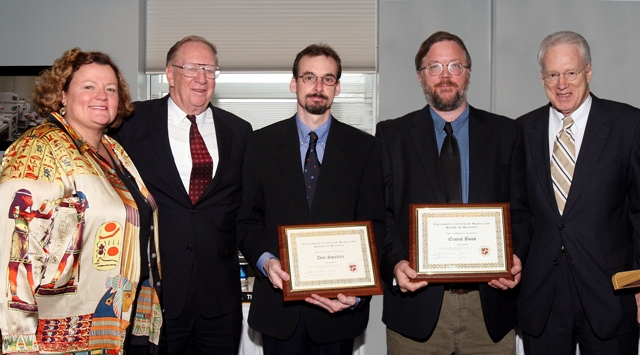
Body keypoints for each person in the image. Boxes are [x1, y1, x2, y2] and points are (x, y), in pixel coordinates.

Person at [375, 31, 532, 354]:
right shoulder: (391, 136)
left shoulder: (506, 133)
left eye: (455, 66)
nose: (445, 76)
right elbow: (382, 214)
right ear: (420, 76)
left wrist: (515, 257)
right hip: (415, 309)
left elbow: (521, 211)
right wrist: (395, 264)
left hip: (488, 308)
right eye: (434, 67)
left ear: (468, 73)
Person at [0, 48, 162, 355]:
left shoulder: (115, 151)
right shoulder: (37, 148)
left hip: (121, 326)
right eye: (89, 86)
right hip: (60, 336)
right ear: (62, 94)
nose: (102, 96)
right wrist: (18, 342)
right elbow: (11, 252)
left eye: (110, 89)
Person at [236, 43, 385, 355]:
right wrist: (266, 262)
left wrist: (357, 295)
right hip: (279, 311)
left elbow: (375, 227)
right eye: (309, 78)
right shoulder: (260, 144)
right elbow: (247, 220)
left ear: (338, 88)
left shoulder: (365, 149)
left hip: (338, 310)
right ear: (294, 84)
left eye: (327, 79)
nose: (318, 87)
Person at [111, 35, 252, 354]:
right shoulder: (130, 124)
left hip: (219, 301)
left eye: (210, 70)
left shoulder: (239, 132)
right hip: (151, 298)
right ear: (170, 74)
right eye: (191, 68)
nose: (202, 79)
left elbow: (248, 209)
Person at [517, 30, 640, 354]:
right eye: (553, 74)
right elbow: (519, 211)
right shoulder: (522, 131)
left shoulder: (629, 124)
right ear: (542, 77)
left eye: (571, 72)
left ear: (588, 71)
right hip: (542, 296)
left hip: (610, 293)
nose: (562, 84)